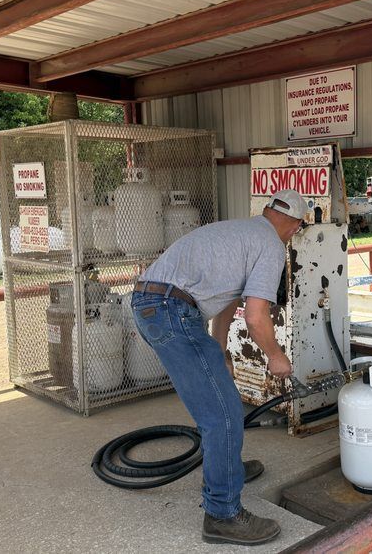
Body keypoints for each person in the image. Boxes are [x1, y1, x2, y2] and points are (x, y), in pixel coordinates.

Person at [131, 189, 305, 546]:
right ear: (294, 224)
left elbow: (227, 301)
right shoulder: (271, 245)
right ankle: (222, 515)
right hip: (170, 310)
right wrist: (275, 355)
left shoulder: (241, 232)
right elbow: (256, 318)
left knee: (218, 403)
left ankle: (228, 471)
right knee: (223, 414)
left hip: (155, 303)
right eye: (297, 230)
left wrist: (222, 350)